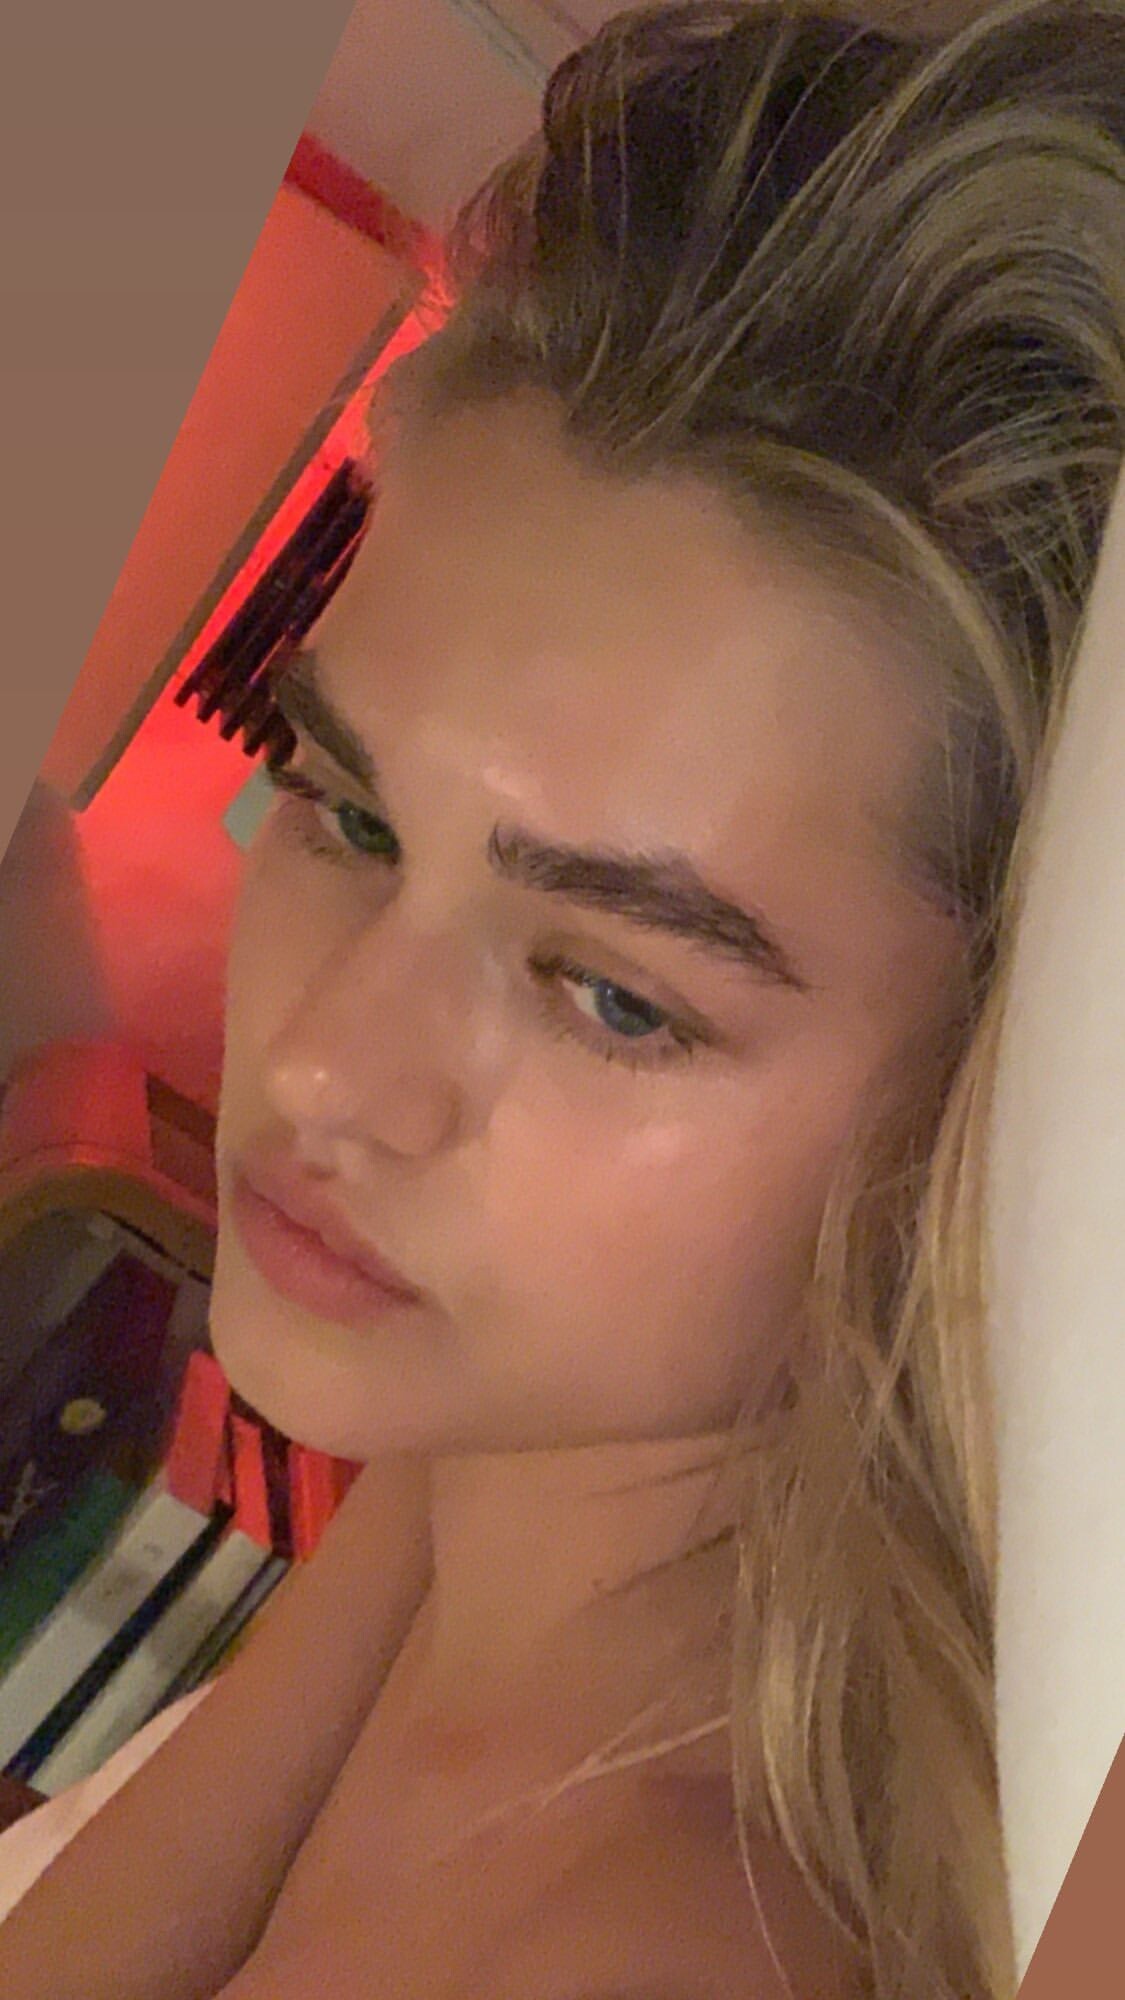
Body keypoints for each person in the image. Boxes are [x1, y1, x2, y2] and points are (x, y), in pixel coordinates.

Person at [2, 3, 1123, 1995]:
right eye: (351, 812)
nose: (324, 1069)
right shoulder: (505, 1472)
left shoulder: (660, 1939)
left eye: (612, 996)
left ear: (978, 1112)